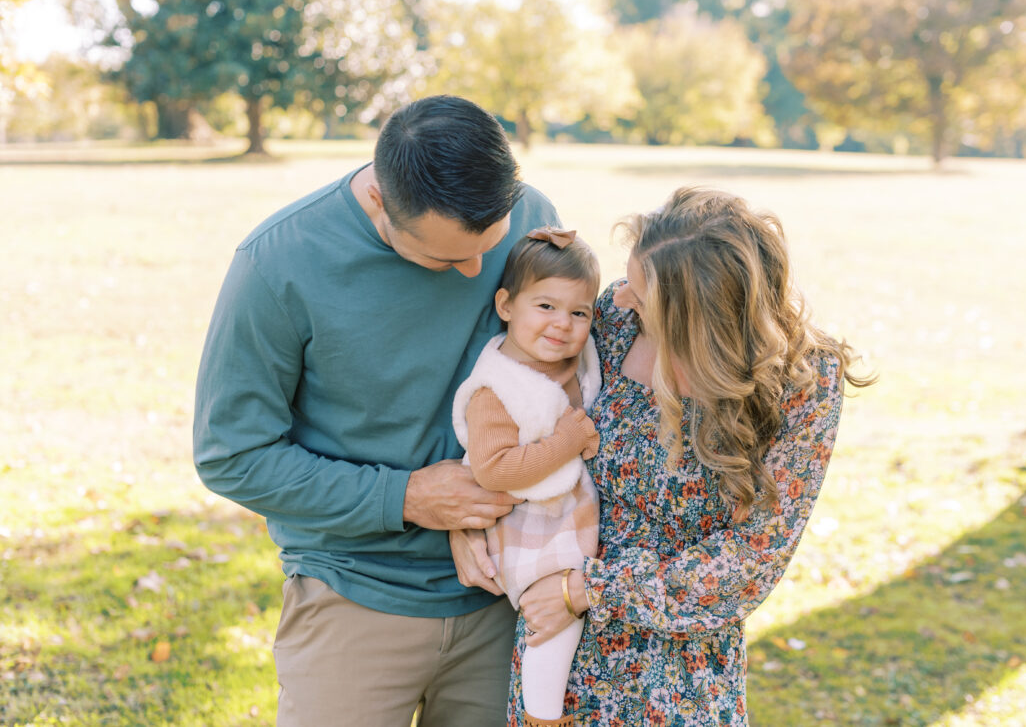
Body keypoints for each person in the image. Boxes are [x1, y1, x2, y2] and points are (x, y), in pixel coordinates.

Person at [192, 95, 564, 727]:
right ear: (377, 203)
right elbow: (233, 456)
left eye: (489, 247)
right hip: (352, 591)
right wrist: (406, 497)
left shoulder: (531, 220)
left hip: (507, 591)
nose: (476, 271)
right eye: (448, 259)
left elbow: (554, 381)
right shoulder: (277, 263)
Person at [457, 186, 874, 725]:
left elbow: (754, 557)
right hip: (559, 648)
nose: (621, 297)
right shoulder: (610, 320)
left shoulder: (802, 379)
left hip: (681, 667)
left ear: (698, 317)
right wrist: (468, 518)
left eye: (640, 293)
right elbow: (511, 403)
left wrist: (589, 588)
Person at [450, 228, 602, 727]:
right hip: (527, 526)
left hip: (564, 514)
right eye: (546, 307)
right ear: (506, 305)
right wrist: (568, 440)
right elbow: (494, 471)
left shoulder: (562, 363)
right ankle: (543, 715)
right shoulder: (496, 389)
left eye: (579, 313)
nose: (563, 324)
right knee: (553, 622)